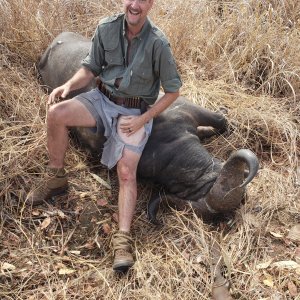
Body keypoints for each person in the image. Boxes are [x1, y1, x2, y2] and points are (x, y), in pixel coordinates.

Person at [26, 0, 181, 272]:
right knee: (56, 114)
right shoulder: (106, 28)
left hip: (134, 112)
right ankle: (56, 179)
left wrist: (144, 119)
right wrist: (68, 85)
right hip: (101, 99)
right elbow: (90, 68)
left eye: (142, 1)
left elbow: (173, 92)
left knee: (125, 172)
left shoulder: (159, 43)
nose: (134, 5)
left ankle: (122, 241)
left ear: (151, 4)